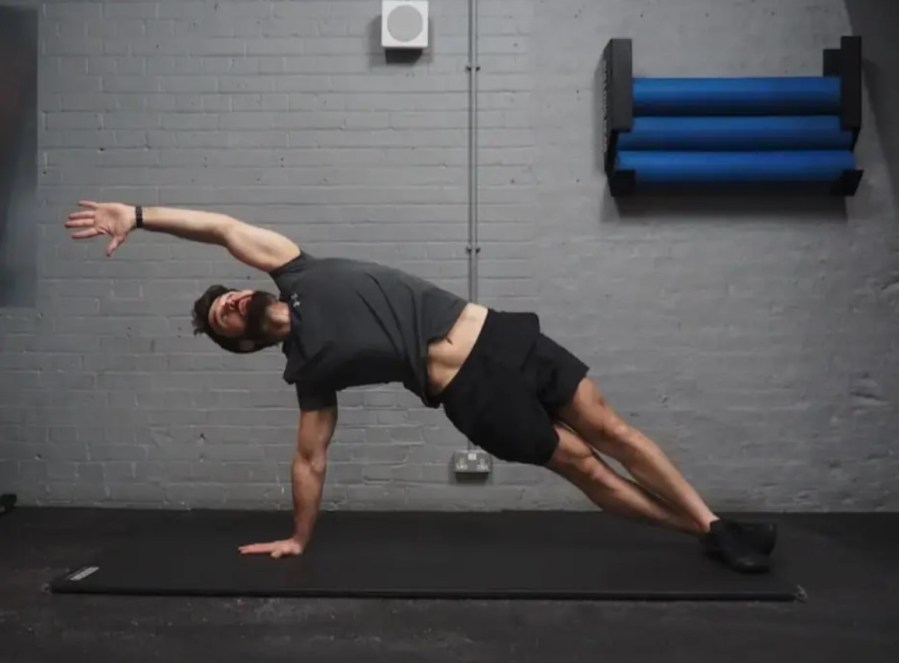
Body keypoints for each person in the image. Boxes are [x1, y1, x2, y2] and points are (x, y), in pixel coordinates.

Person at [65, 200, 777, 573]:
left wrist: (138, 214)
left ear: (249, 290)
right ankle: (705, 531)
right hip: (471, 394)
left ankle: (712, 526)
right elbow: (310, 459)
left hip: (501, 334)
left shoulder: (295, 266)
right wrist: (298, 535)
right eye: (221, 323)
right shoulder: (308, 370)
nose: (226, 306)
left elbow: (220, 227)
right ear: (245, 343)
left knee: (613, 430)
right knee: (585, 465)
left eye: (223, 299)